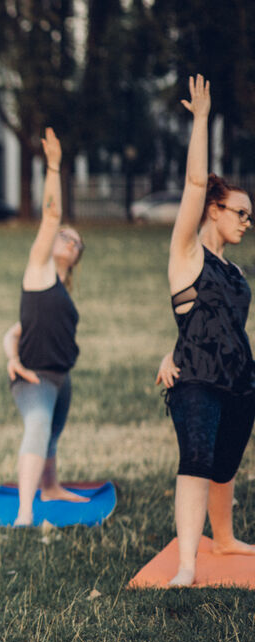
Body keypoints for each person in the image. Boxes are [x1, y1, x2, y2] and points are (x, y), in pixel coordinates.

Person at [162, 75, 255, 586]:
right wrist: (201, 121)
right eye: (240, 213)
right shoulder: (187, 254)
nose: (246, 221)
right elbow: (195, 185)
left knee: (226, 464)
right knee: (196, 461)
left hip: (241, 378)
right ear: (214, 212)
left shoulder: (236, 271)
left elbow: (207, 323)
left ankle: (224, 538)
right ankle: (188, 565)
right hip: (197, 381)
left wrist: (166, 347)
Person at [0, 128, 88, 527]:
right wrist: (53, 166)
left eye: (75, 242)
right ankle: (24, 513)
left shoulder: (60, 292)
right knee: (37, 427)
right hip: (33, 375)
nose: (67, 240)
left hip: (60, 376)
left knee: (51, 435)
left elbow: (18, 326)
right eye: (64, 236)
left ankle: (50, 487)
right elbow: (52, 214)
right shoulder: (38, 270)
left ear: (77, 257)